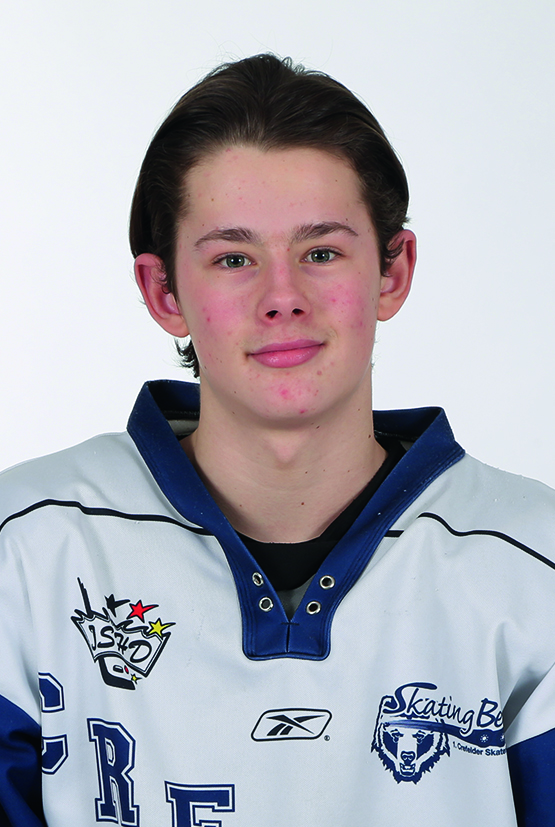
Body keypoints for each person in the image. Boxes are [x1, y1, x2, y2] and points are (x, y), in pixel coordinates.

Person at [0, 53, 554, 827]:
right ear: (164, 292)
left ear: (392, 272)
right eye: (233, 258)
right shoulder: (27, 548)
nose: (282, 297)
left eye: (320, 252)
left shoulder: (532, 564)